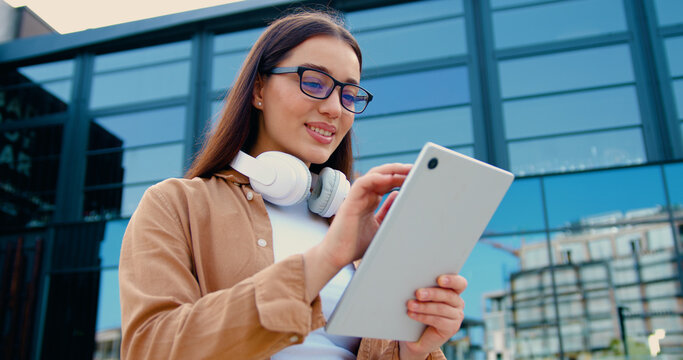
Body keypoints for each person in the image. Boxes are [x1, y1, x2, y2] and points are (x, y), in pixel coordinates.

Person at [119, 9, 467, 360]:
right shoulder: (175, 205)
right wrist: (326, 259)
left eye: (349, 95)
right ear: (258, 89)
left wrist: (411, 350)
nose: (335, 108)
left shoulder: (352, 229)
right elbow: (152, 348)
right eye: (314, 82)